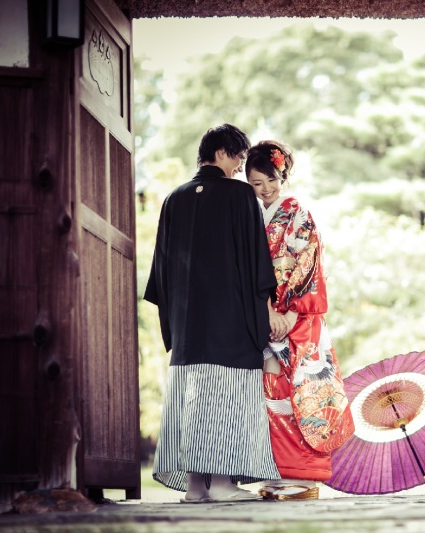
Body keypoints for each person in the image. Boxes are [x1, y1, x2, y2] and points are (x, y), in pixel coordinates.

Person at [144, 124, 280, 503]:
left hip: (188, 327)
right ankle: (221, 484)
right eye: (238, 158)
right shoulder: (239, 196)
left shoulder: (174, 198)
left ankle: (194, 489)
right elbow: (256, 260)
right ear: (222, 152)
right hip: (230, 321)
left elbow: (160, 273)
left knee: (192, 398)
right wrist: (265, 310)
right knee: (225, 397)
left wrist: (176, 323)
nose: (240, 168)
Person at [245, 140, 354, 501]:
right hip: (266, 315)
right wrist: (267, 311)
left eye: (270, 181)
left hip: (299, 316)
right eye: (257, 184)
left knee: (304, 393)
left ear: (282, 175)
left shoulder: (298, 214)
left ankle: (305, 478)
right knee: (271, 391)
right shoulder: (251, 214)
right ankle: (276, 474)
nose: (265, 190)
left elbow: (308, 263)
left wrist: (289, 311)